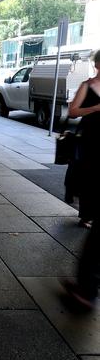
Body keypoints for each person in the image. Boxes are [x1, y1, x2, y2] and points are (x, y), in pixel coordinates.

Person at [68, 50, 100, 229]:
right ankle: (87, 215)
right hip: (90, 136)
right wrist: (94, 108)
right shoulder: (87, 86)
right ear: (97, 65)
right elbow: (73, 112)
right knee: (90, 175)